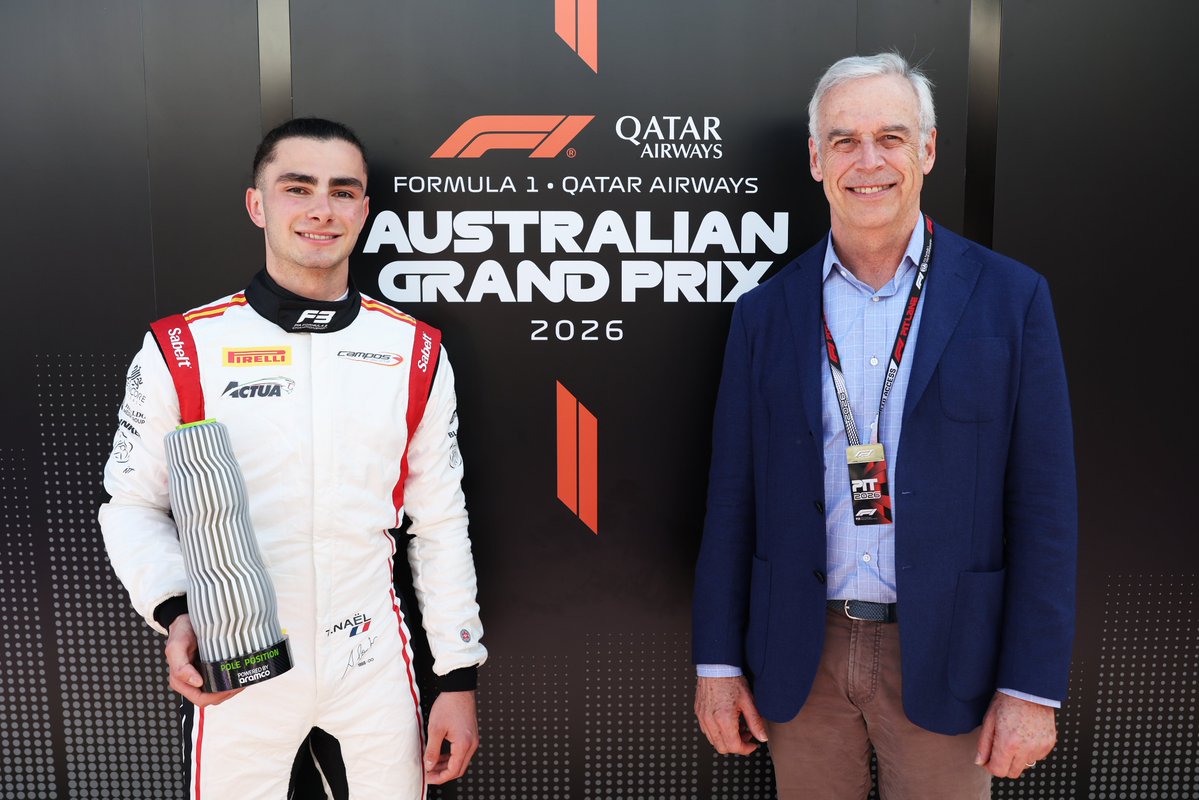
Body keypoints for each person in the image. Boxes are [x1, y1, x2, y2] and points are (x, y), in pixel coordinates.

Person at [691, 53, 1076, 798]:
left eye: (890, 138)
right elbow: (731, 500)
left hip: (952, 656)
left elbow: (1045, 507)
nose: (868, 161)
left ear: (926, 150)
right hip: (800, 657)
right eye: (844, 140)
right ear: (816, 159)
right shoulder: (764, 313)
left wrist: (1030, 686)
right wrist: (717, 664)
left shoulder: (1011, 300)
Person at [99, 118, 486, 799]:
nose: (321, 209)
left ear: (364, 210)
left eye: (343, 191)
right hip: (235, 659)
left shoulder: (415, 350)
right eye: (297, 188)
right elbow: (131, 504)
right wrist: (177, 610)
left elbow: (440, 521)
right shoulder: (182, 347)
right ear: (257, 204)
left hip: (371, 663)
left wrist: (456, 678)